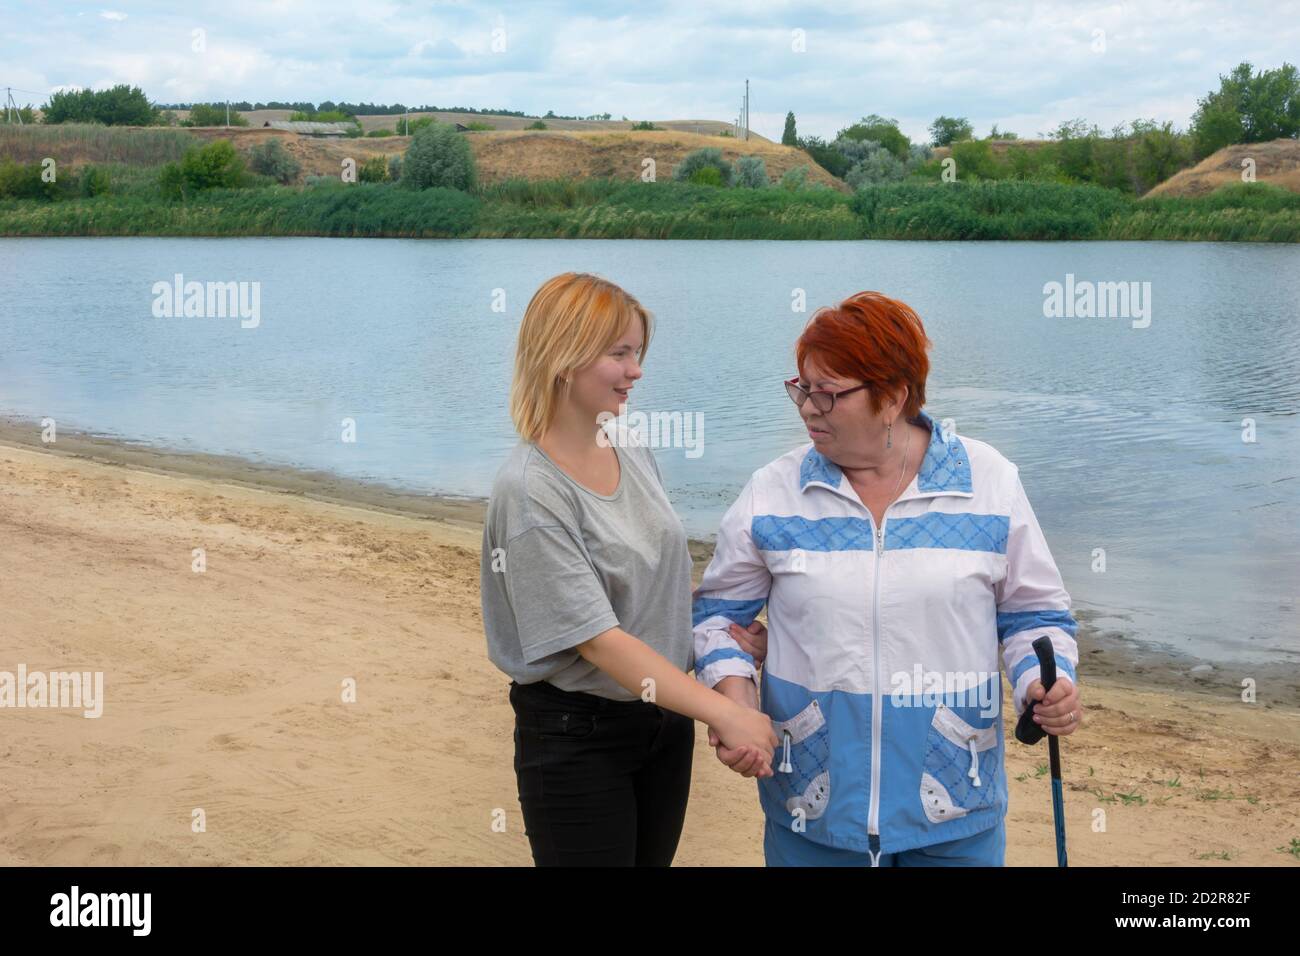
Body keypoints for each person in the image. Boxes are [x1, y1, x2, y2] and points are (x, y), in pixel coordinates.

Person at [693, 290, 1083, 866]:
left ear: (893, 397)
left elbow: (1033, 616)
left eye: (828, 393)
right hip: (811, 810)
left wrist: (1042, 684)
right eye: (800, 388)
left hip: (953, 808)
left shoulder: (989, 482)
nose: (807, 408)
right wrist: (737, 702)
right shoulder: (774, 493)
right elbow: (719, 619)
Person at [480, 272, 778, 867]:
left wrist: (729, 637)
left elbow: (647, 585)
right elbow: (598, 641)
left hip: (664, 722)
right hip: (578, 735)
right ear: (564, 357)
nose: (636, 370)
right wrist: (724, 711)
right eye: (619, 353)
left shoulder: (629, 445)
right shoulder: (531, 491)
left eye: (637, 353)